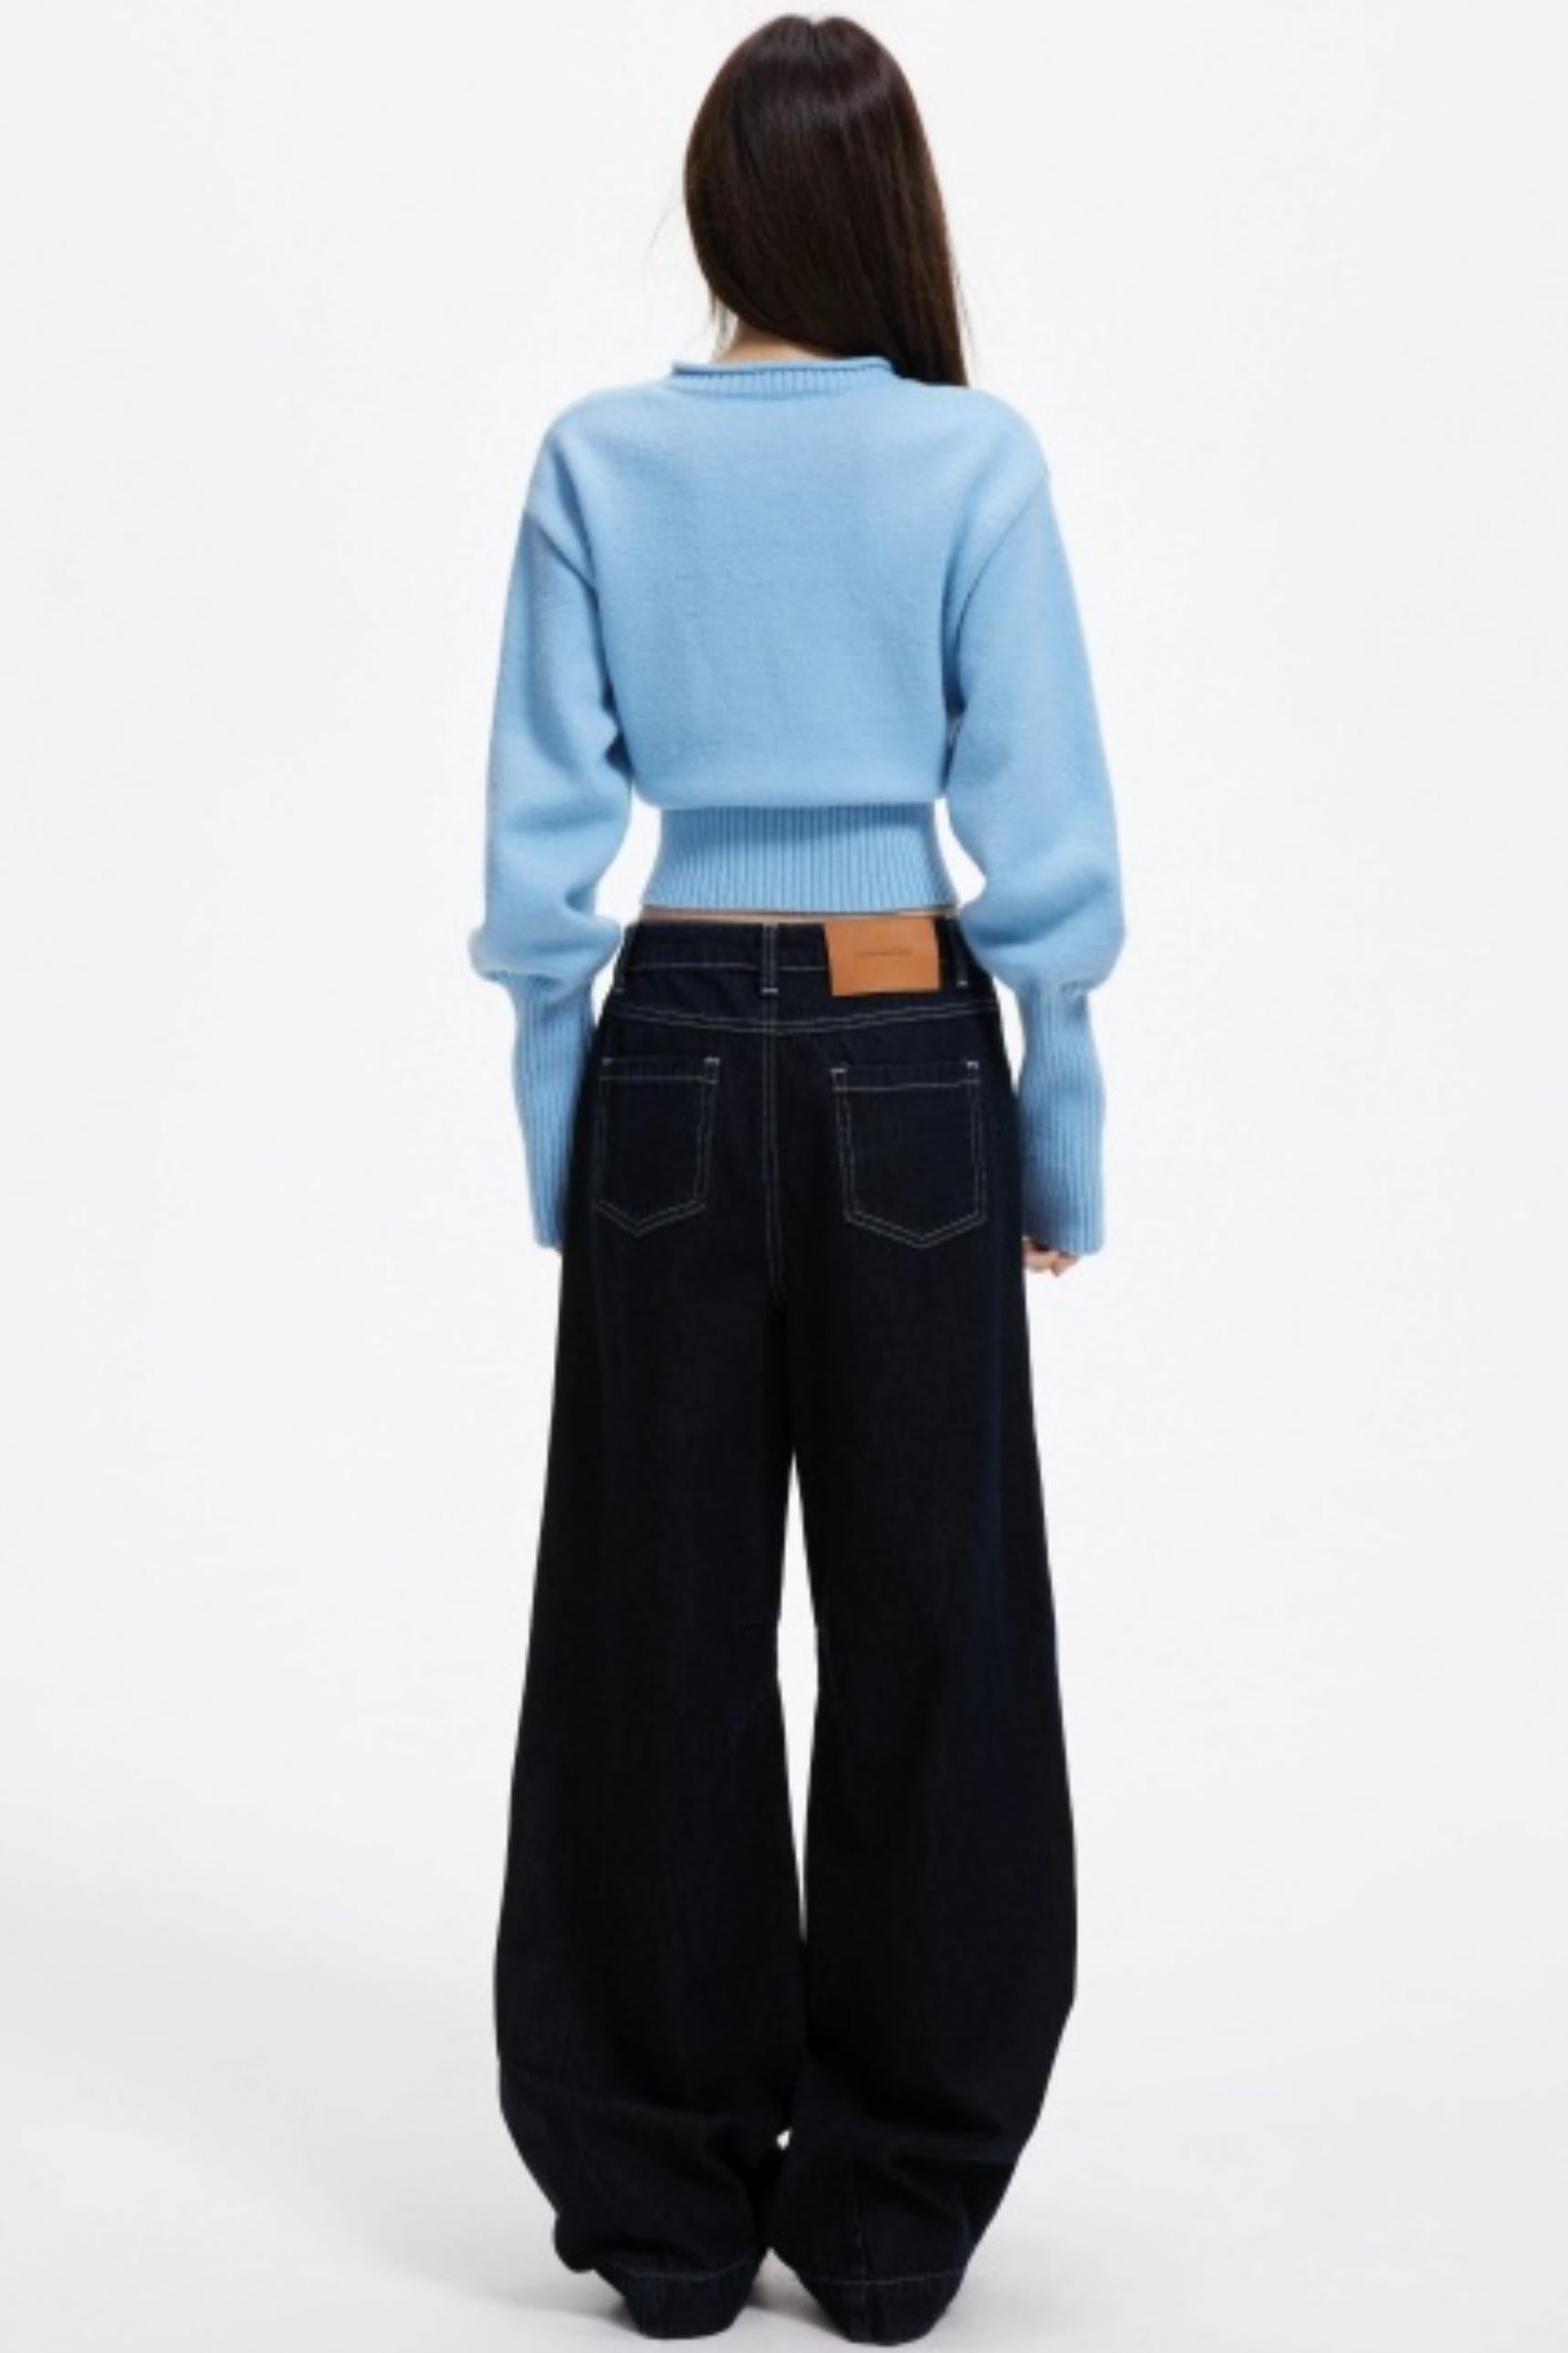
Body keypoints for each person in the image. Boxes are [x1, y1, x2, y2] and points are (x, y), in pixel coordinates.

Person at [467, 14, 1126, 2342]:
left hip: (666, 1040)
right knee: (936, 1618)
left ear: (716, 207)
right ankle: (891, 2203)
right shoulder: (968, 460)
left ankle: (658, 2202)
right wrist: (1056, 1112)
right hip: (905, 1050)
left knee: (647, 1615)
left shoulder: (599, 458)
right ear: (889, 212)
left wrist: (562, 1114)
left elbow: (539, 858)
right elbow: (1042, 831)